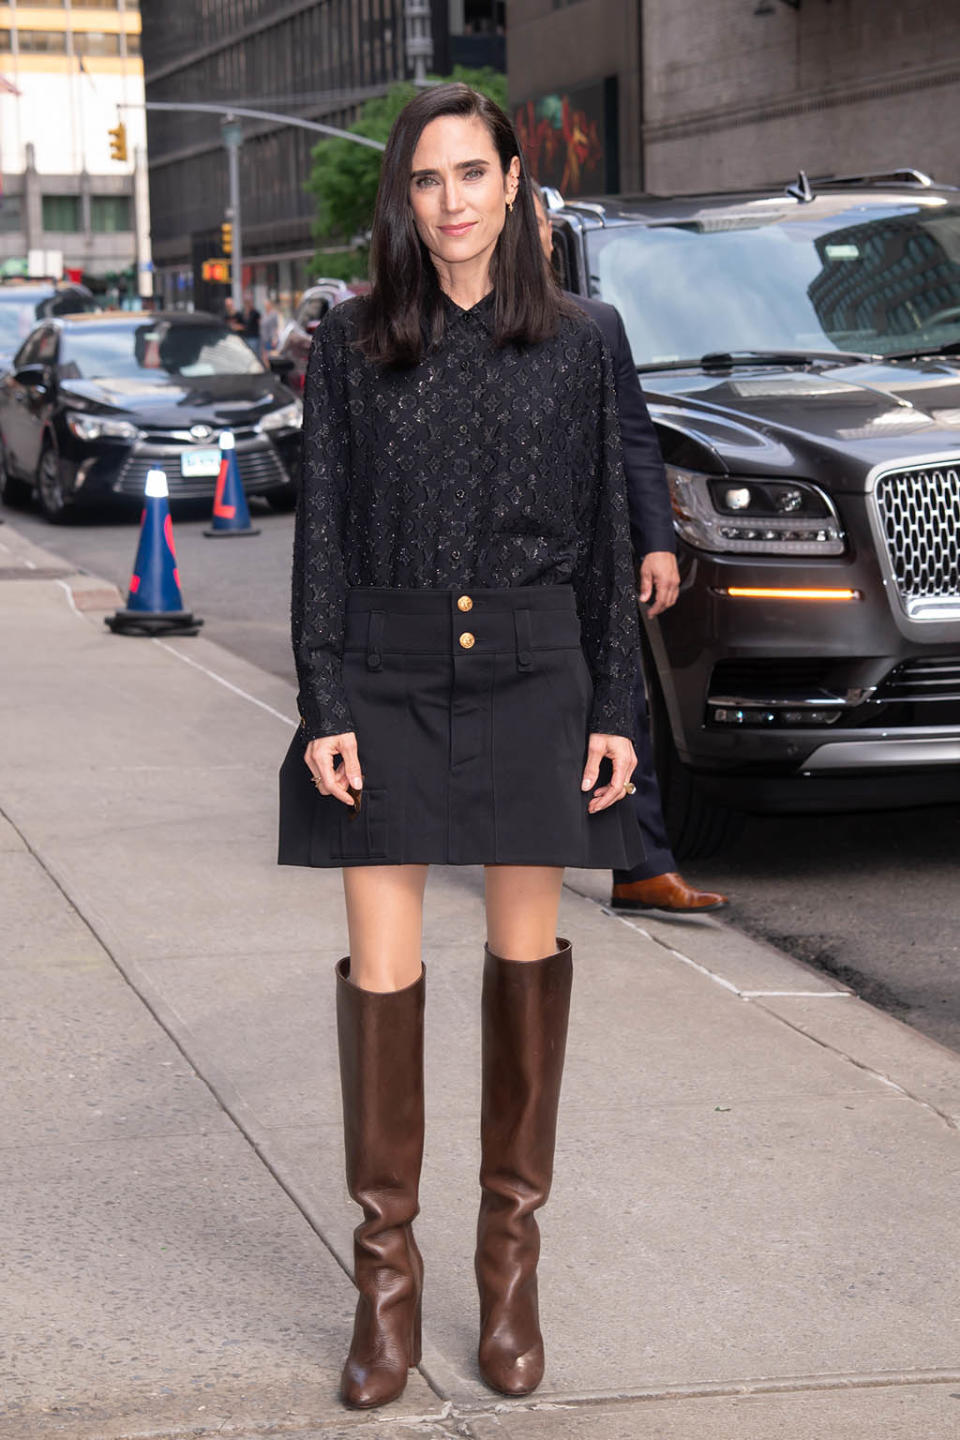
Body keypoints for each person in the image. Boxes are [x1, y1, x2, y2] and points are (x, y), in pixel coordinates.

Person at [279, 84, 645, 1409]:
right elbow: (321, 534)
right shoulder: (354, 339)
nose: (450, 201)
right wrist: (323, 706)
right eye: (426, 178)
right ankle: (385, 1289)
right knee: (384, 978)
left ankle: (508, 1276)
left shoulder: (585, 342)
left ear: (512, 183)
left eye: (471, 173)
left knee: (522, 962)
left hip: (539, 672)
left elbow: (610, 536)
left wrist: (617, 712)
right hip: (385, 670)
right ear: (405, 196)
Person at [531, 184, 729, 916]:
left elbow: (636, 443)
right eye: (532, 224)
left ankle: (642, 866)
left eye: (545, 225)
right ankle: (527, 848)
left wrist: (659, 544)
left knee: (622, 706)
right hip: (503, 573)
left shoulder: (596, 324)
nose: (541, 236)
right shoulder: (457, 331)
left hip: (592, 555)